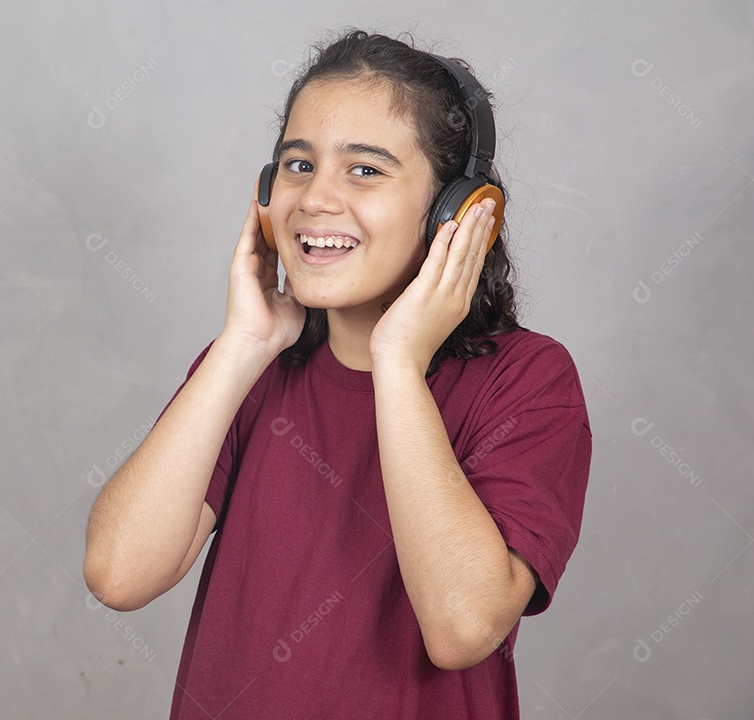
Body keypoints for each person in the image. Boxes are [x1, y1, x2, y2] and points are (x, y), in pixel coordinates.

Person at [84, 29, 591, 719]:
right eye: (298, 165)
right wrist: (243, 343)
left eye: (365, 170)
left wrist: (398, 363)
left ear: (458, 212)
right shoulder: (247, 368)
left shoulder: (529, 381)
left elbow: (463, 626)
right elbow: (119, 575)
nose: (315, 198)